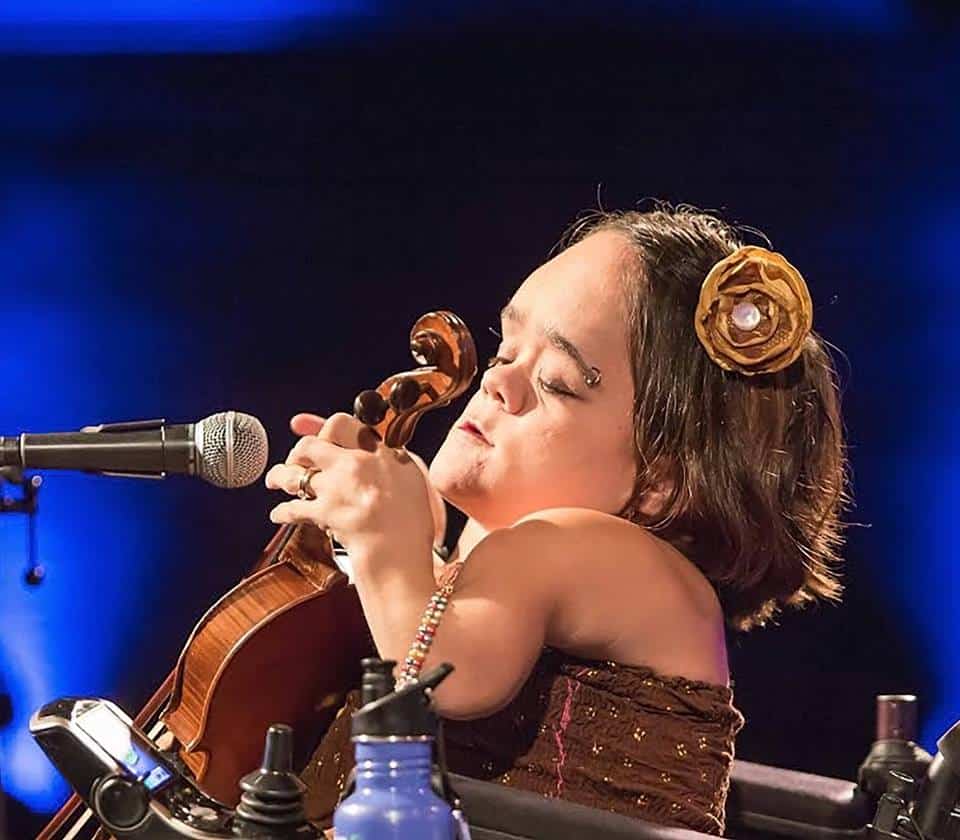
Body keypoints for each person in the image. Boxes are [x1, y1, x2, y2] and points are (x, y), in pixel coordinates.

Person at [265, 205, 849, 835]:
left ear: (660, 482)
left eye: (558, 381)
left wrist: (390, 542)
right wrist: (414, 545)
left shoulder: (584, 544)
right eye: (507, 348)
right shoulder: (528, 556)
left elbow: (444, 679)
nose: (498, 382)